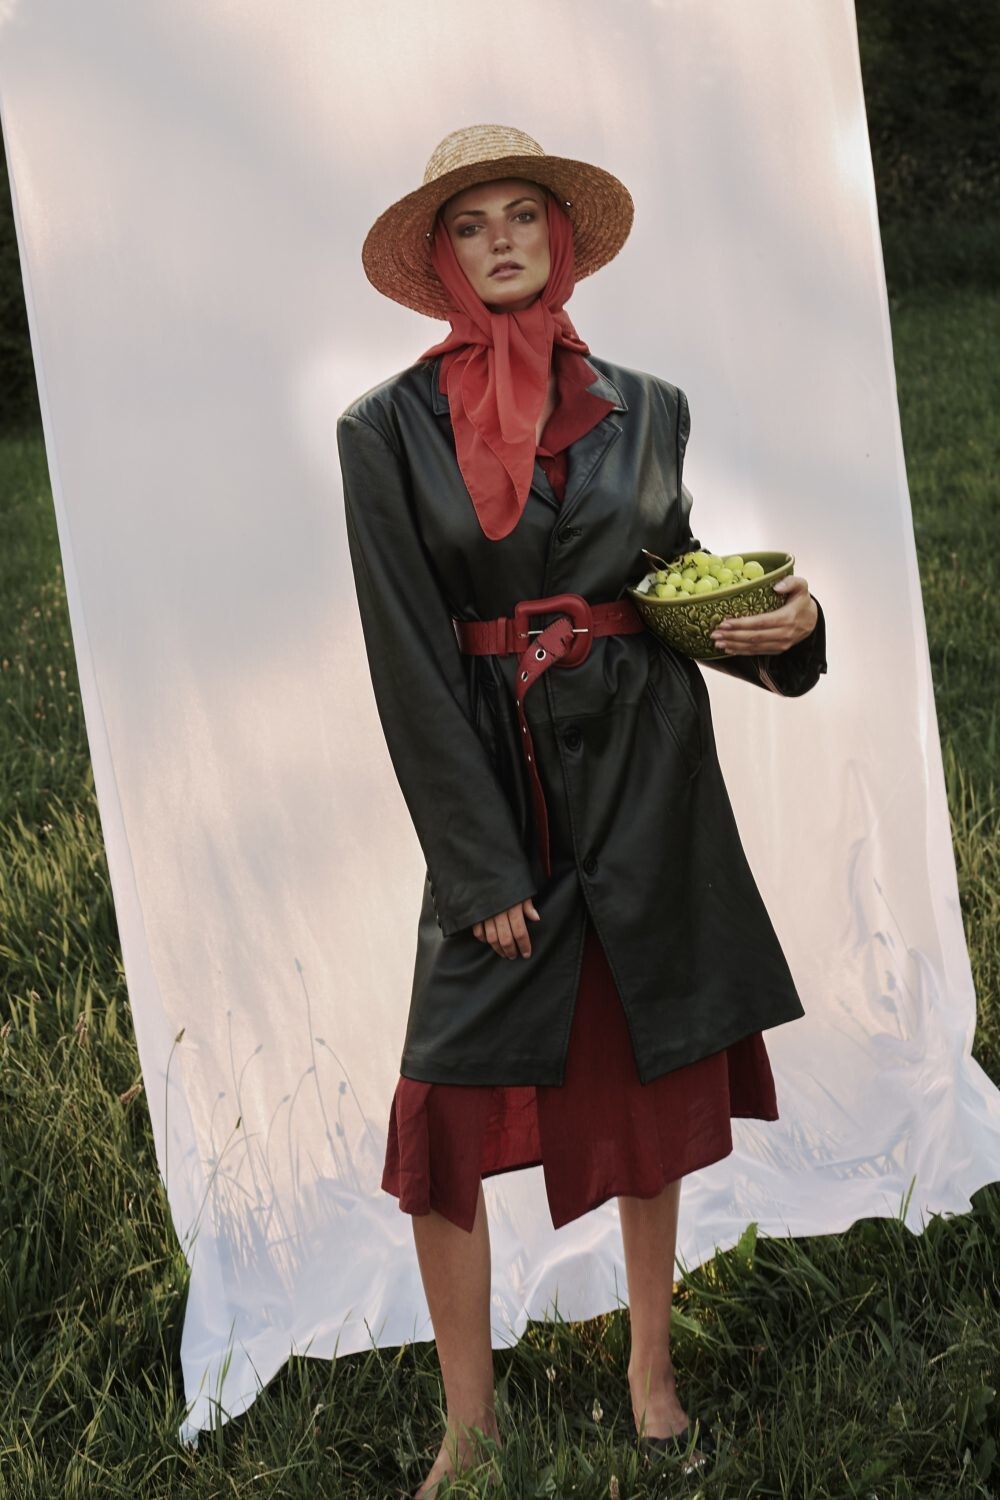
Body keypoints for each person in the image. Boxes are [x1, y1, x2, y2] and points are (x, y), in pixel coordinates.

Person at [337, 123, 827, 1498]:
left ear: (559, 239)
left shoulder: (648, 406)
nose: (500, 241)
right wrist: (478, 865)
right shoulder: (384, 430)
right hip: (504, 797)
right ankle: (470, 1430)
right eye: (471, 223)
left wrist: (789, 633)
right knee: (443, 1110)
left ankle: (651, 1377)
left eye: (522, 216)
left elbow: (672, 586)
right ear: (443, 257)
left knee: (652, 1077)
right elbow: (406, 656)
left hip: (647, 782)